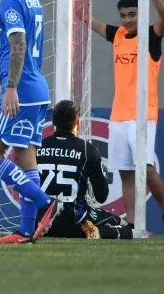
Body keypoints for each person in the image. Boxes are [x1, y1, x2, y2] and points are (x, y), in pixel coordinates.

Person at [0, 0, 60, 245]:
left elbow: (18, 44)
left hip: (23, 90)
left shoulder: (9, 0)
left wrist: (11, 88)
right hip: (37, 89)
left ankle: (45, 202)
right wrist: (5, 87)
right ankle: (26, 231)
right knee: (26, 158)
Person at [87, 0, 164, 236]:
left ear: (141, 15)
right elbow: (91, 21)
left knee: (146, 170)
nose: (127, 20)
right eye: (123, 16)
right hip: (118, 116)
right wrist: (74, 5)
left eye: (132, 14)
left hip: (143, 116)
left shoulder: (151, 36)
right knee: (126, 173)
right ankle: (131, 222)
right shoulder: (116, 35)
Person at [38, 100, 132, 240]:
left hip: (43, 224)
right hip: (75, 223)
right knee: (124, 224)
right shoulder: (88, 150)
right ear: (78, 122)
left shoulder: (38, 146)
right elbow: (102, 196)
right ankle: (105, 232)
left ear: (53, 123)